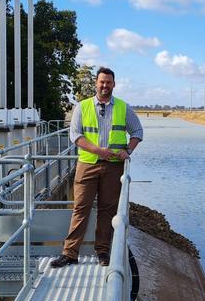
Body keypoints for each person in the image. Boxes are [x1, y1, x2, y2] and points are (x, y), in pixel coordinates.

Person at [50, 67, 143, 268]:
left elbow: (137, 131)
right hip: (87, 164)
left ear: (113, 84)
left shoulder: (123, 108)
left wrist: (128, 150)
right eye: (101, 82)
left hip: (113, 168)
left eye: (108, 82)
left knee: (107, 210)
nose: (104, 85)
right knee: (80, 208)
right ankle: (70, 253)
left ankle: (103, 252)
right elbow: (76, 135)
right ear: (96, 83)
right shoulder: (82, 107)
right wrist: (99, 151)